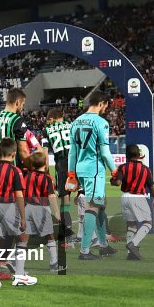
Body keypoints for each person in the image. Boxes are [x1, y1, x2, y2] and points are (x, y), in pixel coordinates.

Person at [66, 91, 117, 261]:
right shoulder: (101, 123)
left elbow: (72, 152)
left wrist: (71, 174)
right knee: (93, 207)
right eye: (106, 106)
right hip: (94, 171)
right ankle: (85, 251)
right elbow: (105, 152)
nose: (105, 109)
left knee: (100, 206)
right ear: (101, 103)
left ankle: (103, 246)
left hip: (80, 169)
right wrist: (115, 170)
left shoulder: (75, 122)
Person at [0, 139, 36, 290]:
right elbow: (19, 195)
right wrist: (23, 217)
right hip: (9, 207)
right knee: (23, 236)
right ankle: (19, 275)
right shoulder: (15, 171)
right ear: (14, 154)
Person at [111, 144, 154, 261]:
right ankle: (133, 244)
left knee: (132, 225)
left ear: (126, 155)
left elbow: (118, 183)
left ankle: (130, 254)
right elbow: (151, 187)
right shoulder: (145, 169)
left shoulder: (123, 167)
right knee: (148, 223)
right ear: (139, 155)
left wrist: (112, 181)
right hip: (137, 197)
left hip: (125, 197)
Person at [22, 151, 60, 272]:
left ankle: (14, 262)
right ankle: (54, 263)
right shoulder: (47, 178)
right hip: (42, 208)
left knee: (24, 237)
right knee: (50, 235)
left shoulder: (28, 176)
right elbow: (51, 196)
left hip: (28, 208)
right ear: (45, 163)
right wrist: (57, 212)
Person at [44, 107, 74, 262]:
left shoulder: (47, 129)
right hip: (78, 162)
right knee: (83, 196)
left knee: (65, 198)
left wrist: (47, 173)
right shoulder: (71, 125)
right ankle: (90, 236)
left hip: (62, 164)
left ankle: (66, 233)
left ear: (51, 119)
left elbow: (44, 153)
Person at [0, 88, 31, 165]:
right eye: (22, 104)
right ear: (18, 102)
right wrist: (32, 169)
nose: (22, 107)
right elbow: (23, 151)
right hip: (12, 170)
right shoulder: (17, 120)